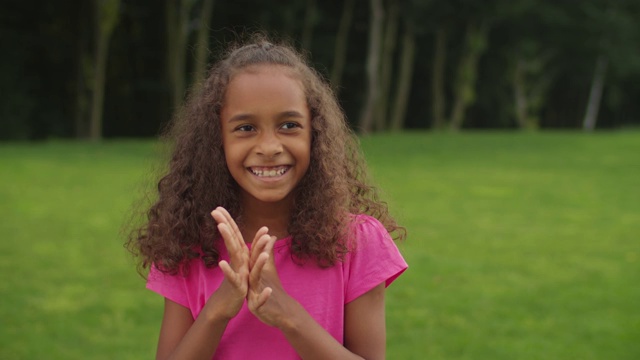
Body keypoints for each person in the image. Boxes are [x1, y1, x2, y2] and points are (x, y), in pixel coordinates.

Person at [127, 36, 407, 360]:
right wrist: (218, 309)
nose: (270, 147)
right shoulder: (189, 244)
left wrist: (287, 315)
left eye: (289, 125)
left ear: (314, 135)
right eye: (246, 128)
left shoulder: (357, 242)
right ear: (216, 141)